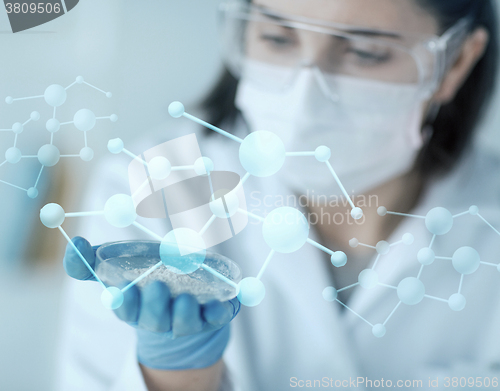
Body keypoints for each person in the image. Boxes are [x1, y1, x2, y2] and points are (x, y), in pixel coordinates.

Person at [56, 0, 500, 390]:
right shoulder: (156, 183)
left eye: (366, 53)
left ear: (456, 61)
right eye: (277, 38)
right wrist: (176, 380)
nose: (305, 95)